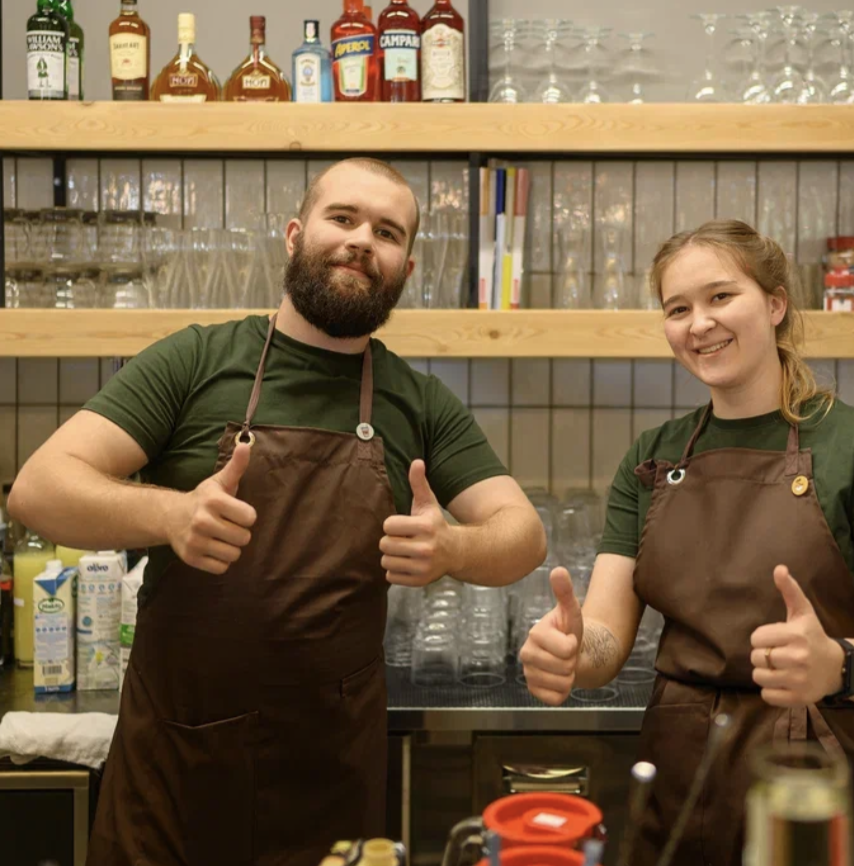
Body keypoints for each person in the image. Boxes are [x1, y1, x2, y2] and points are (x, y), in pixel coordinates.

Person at [9, 157, 547, 866]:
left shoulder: (417, 402)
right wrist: (170, 516)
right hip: (177, 767)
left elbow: (524, 535)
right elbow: (39, 488)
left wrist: (452, 551)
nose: (362, 240)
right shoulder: (196, 360)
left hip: (329, 775)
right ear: (296, 235)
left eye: (387, 232)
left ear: (405, 270)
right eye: (343, 218)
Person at [519, 220, 854, 866]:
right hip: (682, 770)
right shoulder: (653, 457)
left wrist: (837, 664)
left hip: (819, 778)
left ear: (776, 304)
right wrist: (569, 652)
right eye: (678, 308)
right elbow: (607, 640)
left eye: (721, 297)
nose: (699, 324)